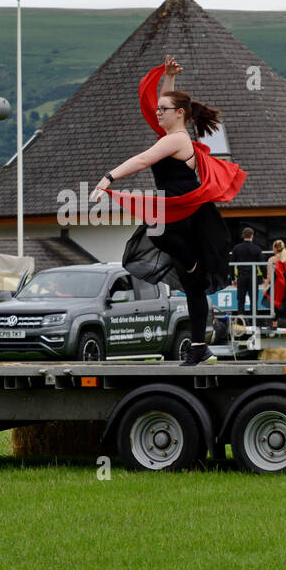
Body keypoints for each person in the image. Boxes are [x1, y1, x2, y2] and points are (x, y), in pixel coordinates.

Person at [98, 55, 245, 365]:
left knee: (157, 232)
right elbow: (167, 103)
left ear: (178, 114)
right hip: (178, 211)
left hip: (184, 212)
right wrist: (169, 77)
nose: (157, 114)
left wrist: (108, 178)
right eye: (157, 110)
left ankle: (191, 263)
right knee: (193, 288)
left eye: (162, 111)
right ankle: (198, 347)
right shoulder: (171, 133)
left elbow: (141, 161)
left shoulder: (176, 140)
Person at [230, 227, 263, 316]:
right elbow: (262, 264)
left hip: (241, 277)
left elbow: (232, 264)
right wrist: (265, 277)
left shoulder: (236, 248)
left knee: (241, 301)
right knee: (254, 300)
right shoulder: (257, 248)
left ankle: (241, 324)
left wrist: (233, 278)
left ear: (243, 236)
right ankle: (254, 323)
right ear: (252, 236)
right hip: (253, 277)